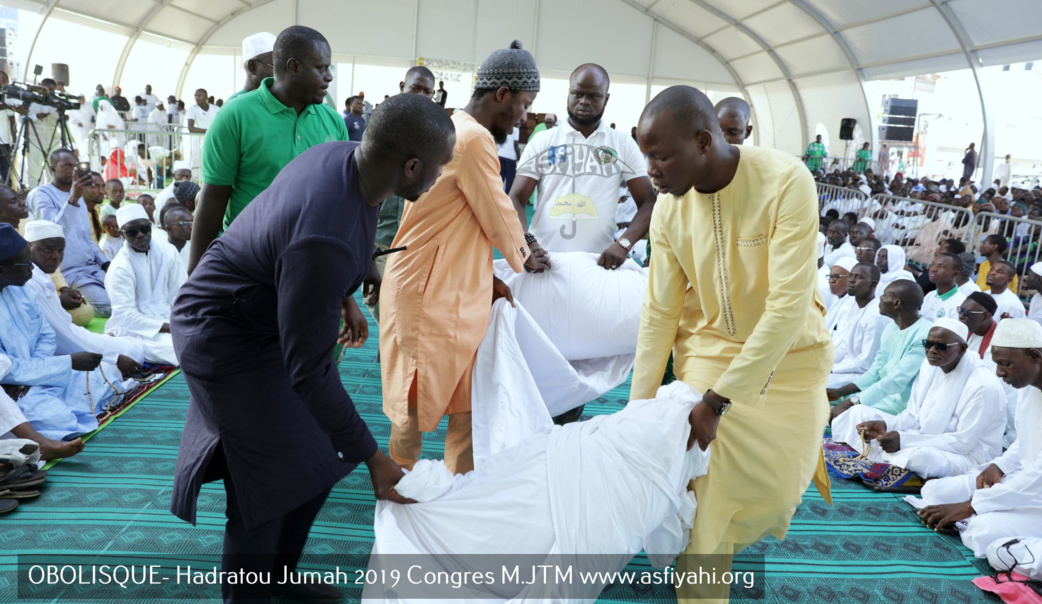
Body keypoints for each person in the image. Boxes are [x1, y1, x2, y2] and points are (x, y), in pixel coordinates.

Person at [169, 93, 450, 602]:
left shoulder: (344, 159)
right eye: (437, 167)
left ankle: (278, 576)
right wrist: (374, 459)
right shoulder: (326, 236)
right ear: (411, 166)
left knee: (319, 457)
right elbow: (309, 372)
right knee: (266, 483)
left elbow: (304, 242)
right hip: (223, 337)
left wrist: (343, 297)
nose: (438, 177)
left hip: (262, 316)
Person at [631, 85, 832, 602]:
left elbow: (787, 307)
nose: (651, 171)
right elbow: (660, 313)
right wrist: (638, 409)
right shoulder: (668, 210)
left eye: (661, 157)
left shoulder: (787, 180)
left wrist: (720, 401)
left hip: (791, 357)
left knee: (778, 494)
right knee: (707, 486)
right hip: (709, 350)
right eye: (646, 156)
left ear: (703, 141)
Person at [381, 41, 548, 477]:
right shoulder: (472, 139)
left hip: (449, 286)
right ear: (502, 94)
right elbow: (498, 213)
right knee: (413, 401)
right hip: (427, 289)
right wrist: (526, 255)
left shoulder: (453, 125)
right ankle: (398, 486)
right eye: (524, 104)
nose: (525, 116)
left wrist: (487, 280)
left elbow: (465, 222)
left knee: (468, 400)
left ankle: (458, 493)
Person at [189, 26, 349, 274]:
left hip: (312, 265)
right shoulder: (234, 116)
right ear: (293, 67)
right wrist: (197, 273)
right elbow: (213, 200)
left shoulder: (333, 121)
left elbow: (343, 197)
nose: (329, 77)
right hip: (249, 264)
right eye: (321, 68)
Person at [509, 63, 656, 268]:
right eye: (577, 94)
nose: (584, 101)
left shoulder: (622, 143)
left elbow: (648, 202)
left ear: (606, 98)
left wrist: (623, 244)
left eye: (594, 96)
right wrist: (526, 243)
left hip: (599, 265)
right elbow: (516, 198)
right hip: (545, 262)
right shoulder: (543, 141)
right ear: (569, 93)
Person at [917, 319, 1042, 557]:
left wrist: (972, 505)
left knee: (981, 531)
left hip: (1035, 490)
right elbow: (1025, 441)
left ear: (1035, 356)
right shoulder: (1027, 388)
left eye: (1006, 364)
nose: (999, 373)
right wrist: (999, 466)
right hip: (1022, 482)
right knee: (934, 492)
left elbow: (1038, 477)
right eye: (997, 364)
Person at [834, 318, 1006, 479]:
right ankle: (887, 458)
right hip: (922, 436)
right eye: (928, 344)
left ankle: (881, 457)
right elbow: (913, 415)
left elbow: (963, 443)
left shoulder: (982, 385)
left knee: (921, 457)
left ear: (962, 348)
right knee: (857, 413)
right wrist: (886, 426)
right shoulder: (930, 365)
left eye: (941, 346)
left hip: (967, 456)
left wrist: (904, 440)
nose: (932, 351)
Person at [0, 224, 126, 441]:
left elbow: (46, 335)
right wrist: (66, 363)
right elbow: (7, 368)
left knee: (108, 373)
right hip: (10, 388)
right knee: (57, 419)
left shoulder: (22, 291)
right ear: (2, 269)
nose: (32, 269)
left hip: (38, 375)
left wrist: (39, 372)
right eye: (26, 263)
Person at [361, 66, 436, 324]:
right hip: (380, 242)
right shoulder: (381, 126)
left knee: (405, 318)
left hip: (416, 244)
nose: (421, 95)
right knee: (382, 309)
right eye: (416, 88)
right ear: (402, 87)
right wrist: (366, 252)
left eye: (427, 91)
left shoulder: (438, 134)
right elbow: (363, 185)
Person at [23, 220, 144, 367]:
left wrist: (99, 339)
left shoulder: (40, 275)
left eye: (60, 251)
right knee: (130, 354)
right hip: (50, 354)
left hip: (70, 334)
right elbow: (61, 337)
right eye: (48, 250)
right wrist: (112, 358)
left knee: (134, 346)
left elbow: (66, 326)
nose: (56, 256)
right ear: (28, 247)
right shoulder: (31, 282)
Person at [829, 280, 932, 419]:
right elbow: (875, 372)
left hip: (899, 404)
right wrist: (840, 392)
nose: (880, 298)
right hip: (880, 394)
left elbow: (895, 380)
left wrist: (852, 403)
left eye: (885, 295)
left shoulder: (925, 335)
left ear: (897, 303)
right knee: (822, 402)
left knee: (842, 416)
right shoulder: (891, 328)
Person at [26, 150, 111, 317]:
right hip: (68, 272)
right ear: (53, 168)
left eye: (75, 166)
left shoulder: (78, 196)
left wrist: (105, 263)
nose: (72, 170)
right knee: (109, 306)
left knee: (131, 294)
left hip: (91, 267)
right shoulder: (41, 194)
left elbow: (87, 238)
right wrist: (73, 199)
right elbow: (52, 235)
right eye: (67, 166)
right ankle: (62, 306)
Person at [103, 205, 183, 366]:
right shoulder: (119, 267)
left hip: (171, 317)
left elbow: (179, 292)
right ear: (122, 234)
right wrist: (169, 327)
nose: (140, 235)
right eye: (132, 232)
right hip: (135, 329)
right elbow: (124, 315)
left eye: (145, 229)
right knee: (177, 349)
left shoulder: (168, 252)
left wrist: (182, 320)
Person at [0, 352, 84, 460]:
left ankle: (34, 443)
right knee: (57, 420)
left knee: (100, 372)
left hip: (32, 376)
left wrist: (27, 379)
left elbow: (11, 364)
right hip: (17, 383)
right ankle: (38, 443)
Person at [829, 262, 890, 388]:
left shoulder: (877, 316)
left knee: (814, 383)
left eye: (859, 277)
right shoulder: (851, 305)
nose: (851, 280)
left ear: (873, 284)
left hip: (861, 374)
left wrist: (833, 368)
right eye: (851, 275)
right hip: (844, 367)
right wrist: (826, 363)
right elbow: (843, 345)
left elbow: (866, 362)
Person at [227, 32, 276, 102]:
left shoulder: (276, 99)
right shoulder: (236, 104)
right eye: (273, 66)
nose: (280, 72)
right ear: (252, 67)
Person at [921, 253, 968, 321]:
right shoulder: (930, 295)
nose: (933, 269)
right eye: (933, 264)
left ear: (955, 274)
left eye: (941, 266)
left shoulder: (960, 303)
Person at [159, 203, 192, 276]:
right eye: (185, 223)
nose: (191, 227)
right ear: (168, 228)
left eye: (192, 222)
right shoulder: (160, 252)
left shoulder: (193, 250)